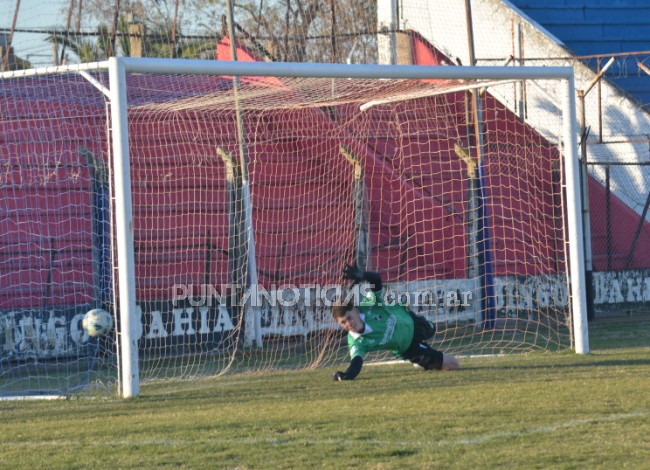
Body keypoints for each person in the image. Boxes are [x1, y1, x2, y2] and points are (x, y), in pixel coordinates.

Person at [331, 264, 460, 381]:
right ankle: (421, 362)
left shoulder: (368, 305)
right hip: (408, 348)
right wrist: (346, 376)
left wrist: (362, 275)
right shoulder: (356, 341)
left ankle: (425, 348)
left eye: (349, 317)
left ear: (356, 310)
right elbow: (356, 362)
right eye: (343, 323)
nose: (349, 324)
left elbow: (376, 280)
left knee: (431, 329)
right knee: (453, 364)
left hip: (411, 321)